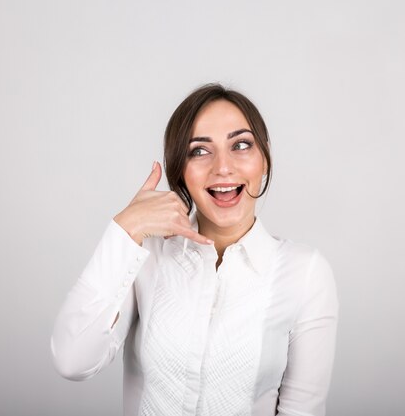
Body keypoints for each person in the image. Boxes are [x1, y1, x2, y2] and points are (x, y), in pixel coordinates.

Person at [50, 84, 339, 416]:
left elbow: (302, 410)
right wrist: (125, 230)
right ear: (180, 171)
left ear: (265, 159)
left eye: (241, 145)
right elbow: (73, 360)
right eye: (200, 151)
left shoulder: (305, 274)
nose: (223, 168)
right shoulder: (148, 255)